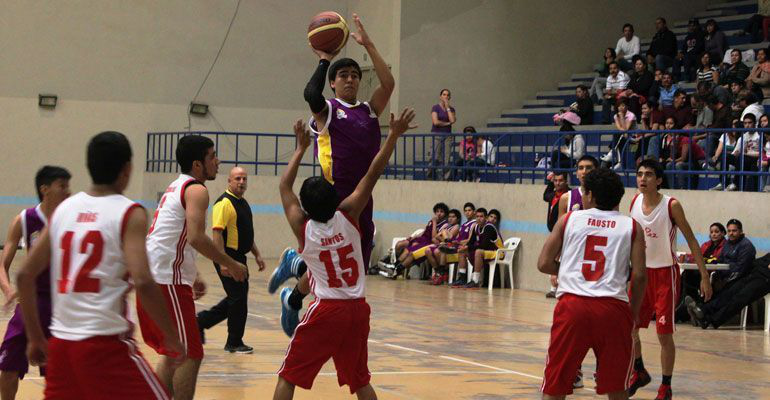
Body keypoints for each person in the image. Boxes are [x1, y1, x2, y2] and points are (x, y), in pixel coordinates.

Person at [16, 131, 185, 399]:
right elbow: (142, 280)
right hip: (105, 345)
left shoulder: (65, 210)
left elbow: (24, 275)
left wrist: (36, 337)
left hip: (61, 346)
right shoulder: (130, 213)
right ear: (127, 170)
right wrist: (171, 336)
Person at [272, 108, 415, 400]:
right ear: (334, 197)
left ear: (306, 208)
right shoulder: (350, 213)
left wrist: (301, 148)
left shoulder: (303, 227)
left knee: (288, 375)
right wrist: (394, 136)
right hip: (358, 309)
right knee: (360, 380)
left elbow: (284, 186)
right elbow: (373, 172)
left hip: (327, 309)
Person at [270, 13, 396, 337]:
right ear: (334, 82)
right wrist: (326, 59)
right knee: (333, 269)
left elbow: (388, 84)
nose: (351, 79)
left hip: (362, 201)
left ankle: (294, 283)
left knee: (348, 270)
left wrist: (369, 44)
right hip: (333, 199)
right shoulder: (328, 111)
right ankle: (296, 282)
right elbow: (311, 94)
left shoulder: (369, 111)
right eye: (344, 75)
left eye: (355, 75)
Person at [139, 135, 248, 400]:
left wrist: (193, 273)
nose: (217, 161)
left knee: (173, 353)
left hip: (157, 277)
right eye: (212, 156)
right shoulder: (197, 189)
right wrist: (231, 263)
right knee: (190, 352)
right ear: (198, 165)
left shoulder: (176, 186)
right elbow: (196, 237)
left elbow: (171, 236)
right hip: (166, 281)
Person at [537, 168, 648, 400]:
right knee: (617, 386)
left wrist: (568, 270)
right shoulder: (631, 226)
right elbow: (639, 276)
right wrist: (633, 314)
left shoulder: (569, 219)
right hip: (613, 310)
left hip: (573, 308)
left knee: (555, 385)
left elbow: (544, 263)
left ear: (590, 195)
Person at [627, 159, 713, 400]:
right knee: (629, 327)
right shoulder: (633, 202)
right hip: (641, 274)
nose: (643, 179)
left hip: (665, 274)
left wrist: (704, 276)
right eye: (640, 174)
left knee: (664, 334)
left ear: (660, 180)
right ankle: (639, 370)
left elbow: (692, 240)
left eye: (649, 175)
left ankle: (666, 386)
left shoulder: (671, 205)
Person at [0, 166, 70, 400]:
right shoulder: (24, 219)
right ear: (45, 189)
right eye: (62, 186)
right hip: (31, 303)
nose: (67, 191)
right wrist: (8, 289)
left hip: (61, 306)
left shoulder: (71, 219)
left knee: (57, 377)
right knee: (7, 369)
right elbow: (2, 263)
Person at [196, 166, 266, 354]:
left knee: (236, 299)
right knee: (238, 300)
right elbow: (217, 233)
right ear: (229, 181)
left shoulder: (243, 203)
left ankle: (200, 322)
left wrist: (257, 254)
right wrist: (222, 262)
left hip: (239, 257)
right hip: (228, 257)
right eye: (237, 179)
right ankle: (234, 342)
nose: (241, 182)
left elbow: (246, 235)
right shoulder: (224, 203)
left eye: (244, 179)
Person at [685, 253, 770, 329]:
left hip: (766, 279)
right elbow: (757, 262)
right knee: (731, 290)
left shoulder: (747, 246)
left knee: (741, 297)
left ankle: (709, 320)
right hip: (755, 273)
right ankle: (703, 310)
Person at [452, 208, 502, 289]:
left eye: (481, 216)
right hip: (486, 251)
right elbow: (471, 241)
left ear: (486, 218)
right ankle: (462, 278)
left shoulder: (489, 227)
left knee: (478, 252)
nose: (479, 218)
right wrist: (465, 247)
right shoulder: (476, 227)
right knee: (462, 251)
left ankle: (475, 281)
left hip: (498, 252)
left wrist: (468, 247)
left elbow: (484, 245)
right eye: (477, 216)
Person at [712, 219, 756, 292]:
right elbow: (720, 260)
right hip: (724, 277)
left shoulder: (746, 246)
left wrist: (724, 282)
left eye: (734, 231)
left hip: (739, 281)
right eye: (729, 231)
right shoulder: (727, 243)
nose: (731, 233)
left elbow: (741, 269)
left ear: (741, 231)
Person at [443, 203, 478, 285]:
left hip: (464, 247)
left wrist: (458, 242)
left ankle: (461, 277)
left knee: (457, 251)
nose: (467, 212)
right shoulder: (464, 225)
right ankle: (442, 273)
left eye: (469, 210)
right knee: (441, 249)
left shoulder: (474, 224)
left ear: (474, 212)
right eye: (465, 211)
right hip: (457, 245)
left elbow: (470, 239)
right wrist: (454, 241)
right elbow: (458, 237)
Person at [426, 209, 460, 285]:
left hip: (452, 247)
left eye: (453, 217)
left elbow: (449, 239)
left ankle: (442, 272)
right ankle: (438, 271)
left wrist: (443, 234)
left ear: (457, 219)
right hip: (444, 245)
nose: (450, 218)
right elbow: (435, 237)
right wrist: (442, 238)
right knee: (427, 250)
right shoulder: (446, 226)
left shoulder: (456, 226)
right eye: (449, 217)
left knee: (438, 251)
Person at [430, 88, 457, 180]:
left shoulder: (451, 109)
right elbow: (436, 122)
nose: (446, 96)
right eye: (444, 94)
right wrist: (447, 123)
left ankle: (445, 179)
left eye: (447, 95)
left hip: (447, 135)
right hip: (436, 135)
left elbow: (452, 120)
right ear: (440, 96)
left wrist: (447, 107)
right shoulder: (435, 107)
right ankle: (430, 177)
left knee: (446, 159)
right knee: (435, 157)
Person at [708, 119, 743, 191]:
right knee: (714, 159)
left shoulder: (740, 137)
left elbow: (737, 152)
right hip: (723, 159)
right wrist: (715, 157)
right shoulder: (725, 135)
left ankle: (726, 183)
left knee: (726, 160)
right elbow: (719, 149)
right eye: (732, 125)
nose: (733, 127)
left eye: (735, 125)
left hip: (734, 160)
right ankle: (722, 182)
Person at [735, 113, 763, 191]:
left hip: (755, 159)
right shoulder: (743, 137)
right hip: (744, 158)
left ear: (755, 123)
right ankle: (726, 184)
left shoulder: (760, 135)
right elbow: (736, 151)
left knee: (743, 160)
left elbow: (762, 153)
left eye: (750, 123)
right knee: (726, 157)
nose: (747, 125)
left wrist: (744, 153)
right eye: (745, 123)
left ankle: (737, 185)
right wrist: (736, 153)